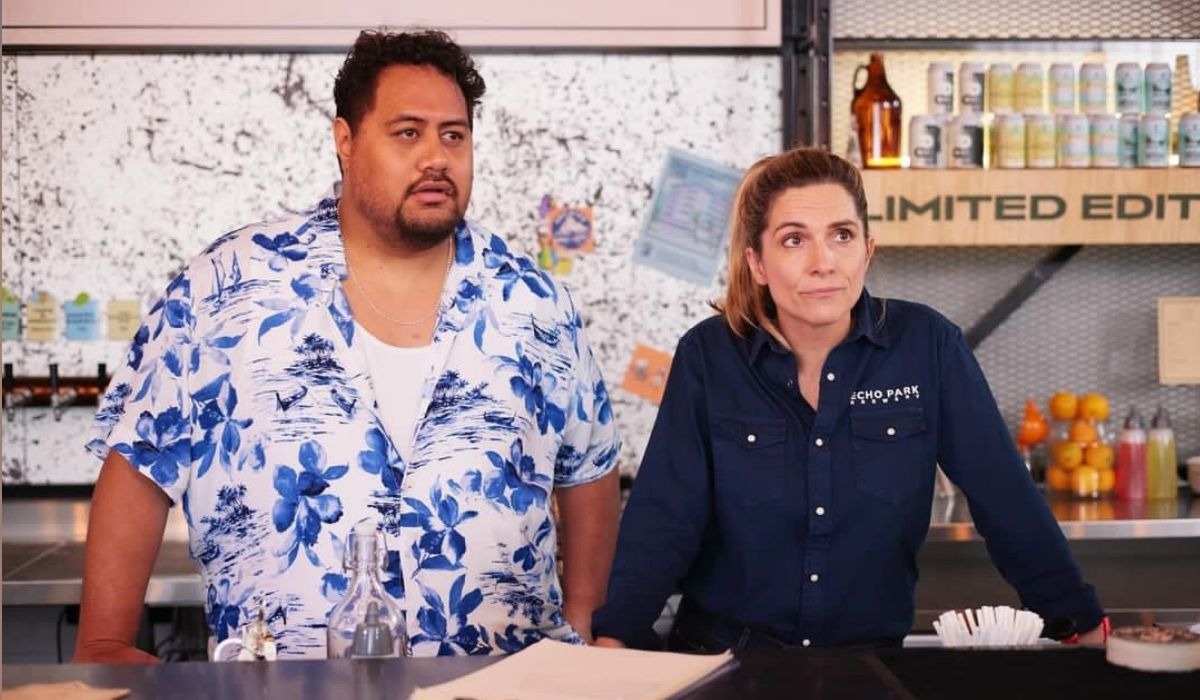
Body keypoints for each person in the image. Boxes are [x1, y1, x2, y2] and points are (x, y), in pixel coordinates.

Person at [75, 29, 620, 662]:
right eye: (407, 133)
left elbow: (589, 470)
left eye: (454, 135)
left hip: (505, 679)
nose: (437, 157)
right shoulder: (227, 286)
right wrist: (104, 639)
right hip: (283, 685)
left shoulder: (532, 301)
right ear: (345, 142)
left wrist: (580, 620)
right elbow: (139, 461)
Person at [592, 147, 1105, 651]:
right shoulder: (709, 356)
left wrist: (1074, 619)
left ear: (867, 250)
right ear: (758, 264)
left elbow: (1005, 496)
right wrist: (614, 640)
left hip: (868, 666)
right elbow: (663, 519)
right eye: (794, 240)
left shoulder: (926, 346)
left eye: (842, 235)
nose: (824, 262)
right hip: (724, 661)